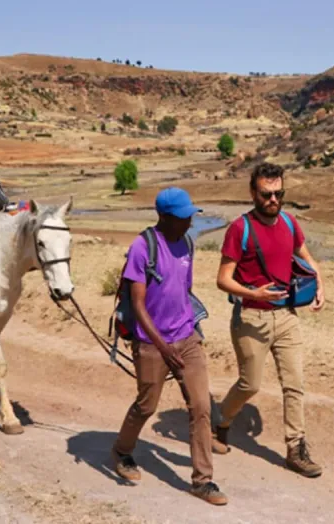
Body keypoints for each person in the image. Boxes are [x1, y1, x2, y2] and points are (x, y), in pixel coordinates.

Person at [111, 187, 228, 506]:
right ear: (163, 217)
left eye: (191, 215)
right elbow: (138, 305)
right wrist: (164, 348)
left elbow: (184, 290)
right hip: (152, 343)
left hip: (186, 338)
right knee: (146, 405)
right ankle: (122, 451)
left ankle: (203, 481)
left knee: (201, 407)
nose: (189, 221)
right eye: (182, 217)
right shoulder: (142, 247)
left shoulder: (187, 242)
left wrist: (191, 331)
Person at [213, 162, 326, 478]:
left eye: (279, 193)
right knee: (250, 384)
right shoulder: (240, 229)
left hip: (287, 316)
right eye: (266, 194)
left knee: (295, 385)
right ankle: (220, 420)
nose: (273, 200)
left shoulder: (289, 223)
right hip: (251, 317)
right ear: (253, 192)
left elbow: (307, 258)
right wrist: (255, 294)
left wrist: (320, 284)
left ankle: (296, 448)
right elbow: (223, 279)